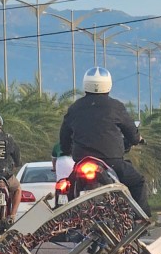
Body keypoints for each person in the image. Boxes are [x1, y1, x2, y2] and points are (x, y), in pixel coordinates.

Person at [59, 67, 151, 215]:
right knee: (137, 182)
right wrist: (137, 139)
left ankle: (65, 219)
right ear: (108, 84)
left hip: (82, 161)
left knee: (66, 188)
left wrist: (66, 149)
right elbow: (132, 133)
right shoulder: (116, 106)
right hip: (111, 161)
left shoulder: (75, 107)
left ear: (86, 84)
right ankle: (141, 218)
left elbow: (64, 135)